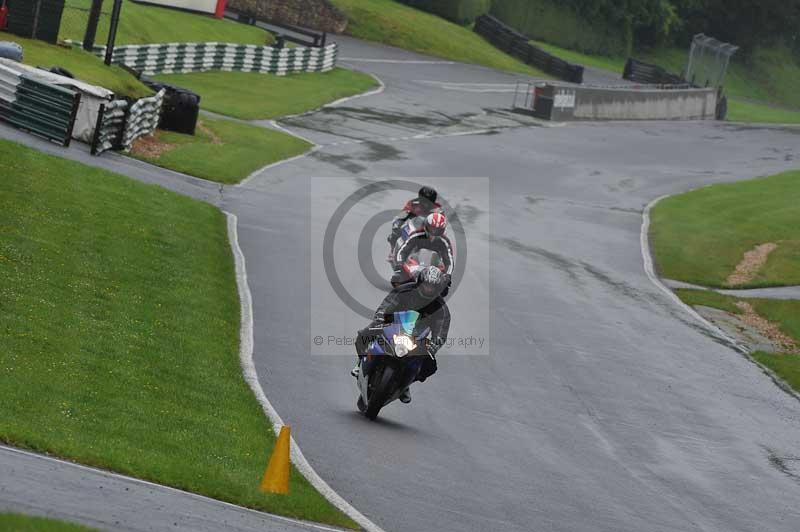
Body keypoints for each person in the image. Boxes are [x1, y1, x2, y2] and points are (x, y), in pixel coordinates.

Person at [352, 266, 451, 404]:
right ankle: (360, 362)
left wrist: (435, 344)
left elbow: (441, 331)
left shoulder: (441, 309)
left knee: (430, 365)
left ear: (437, 288)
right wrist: (381, 316)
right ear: (420, 282)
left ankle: (406, 384)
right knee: (365, 334)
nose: (428, 289)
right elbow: (387, 304)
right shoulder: (404, 290)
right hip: (394, 325)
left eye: (432, 287)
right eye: (426, 285)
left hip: (417, 336)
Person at [394, 212, 454, 280]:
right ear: (426, 226)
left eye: (437, 230)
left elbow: (449, 261)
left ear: (442, 230)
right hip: (414, 264)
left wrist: (448, 275)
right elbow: (403, 250)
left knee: (447, 286)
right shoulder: (417, 234)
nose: (433, 233)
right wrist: (400, 264)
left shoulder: (444, 241)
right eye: (432, 229)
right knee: (397, 277)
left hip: (434, 269)